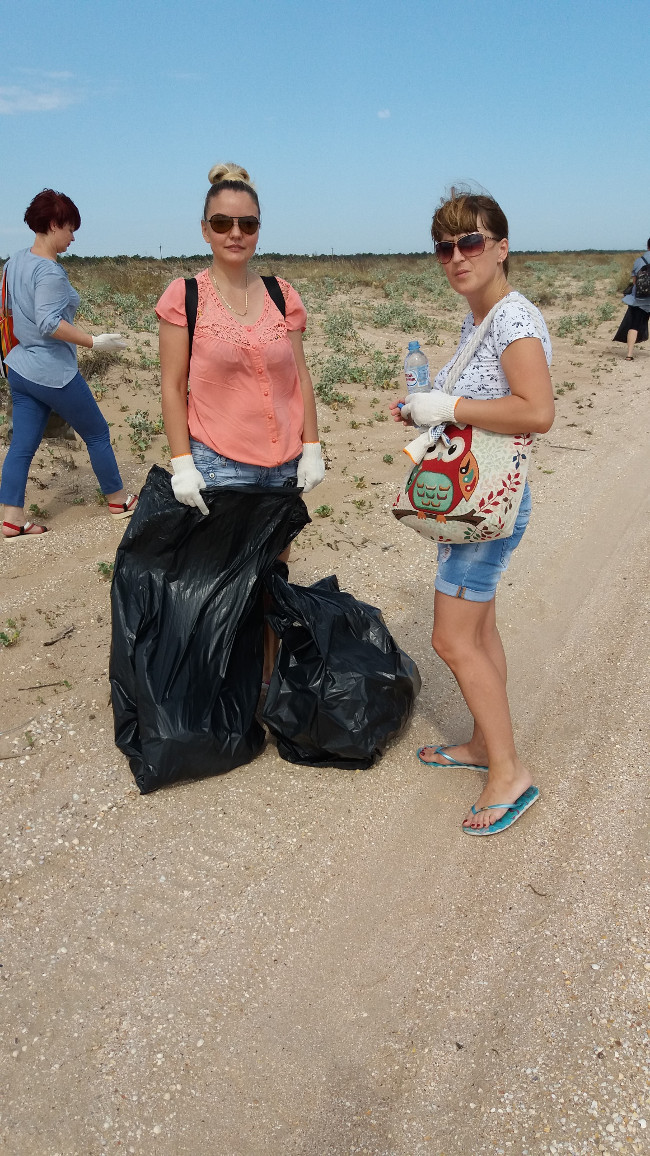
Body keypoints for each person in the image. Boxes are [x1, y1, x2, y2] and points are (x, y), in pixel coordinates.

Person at [390, 190, 554, 836]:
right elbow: (487, 401)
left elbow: (536, 411)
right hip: (476, 497)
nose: (456, 256)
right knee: (479, 633)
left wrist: (449, 411)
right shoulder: (480, 317)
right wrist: (427, 408)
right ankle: (488, 744)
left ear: (501, 247)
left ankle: (509, 773)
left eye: (470, 242)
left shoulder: (512, 320)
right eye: (444, 246)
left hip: (487, 506)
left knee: (451, 639)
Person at [156, 162, 325, 679]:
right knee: (224, 584)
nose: (236, 234)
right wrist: (182, 463)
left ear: (258, 228)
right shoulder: (184, 296)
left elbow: (300, 376)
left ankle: (267, 688)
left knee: (274, 577)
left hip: (282, 467)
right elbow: (170, 385)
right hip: (220, 464)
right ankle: (222, 695)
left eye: (247, 224)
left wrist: (312, 446)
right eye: (223, 223)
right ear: (205, 229)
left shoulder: (281, 295)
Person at [1, 189, 137, 541]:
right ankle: (118, 501)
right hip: (52, 372)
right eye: (70, 228)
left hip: (19, 368)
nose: (73, 236)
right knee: (96, 432)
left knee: (23, 444)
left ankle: (12, 519)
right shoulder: (50, 272)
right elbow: (49, 322)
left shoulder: (14, 262)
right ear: (52, 224)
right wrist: (94, 341)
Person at [613, 238, 650, 359]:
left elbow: (634, 282)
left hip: (639, 300)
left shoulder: (640, 261)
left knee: (634, 326)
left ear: (647, 246)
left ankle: (629, 354)